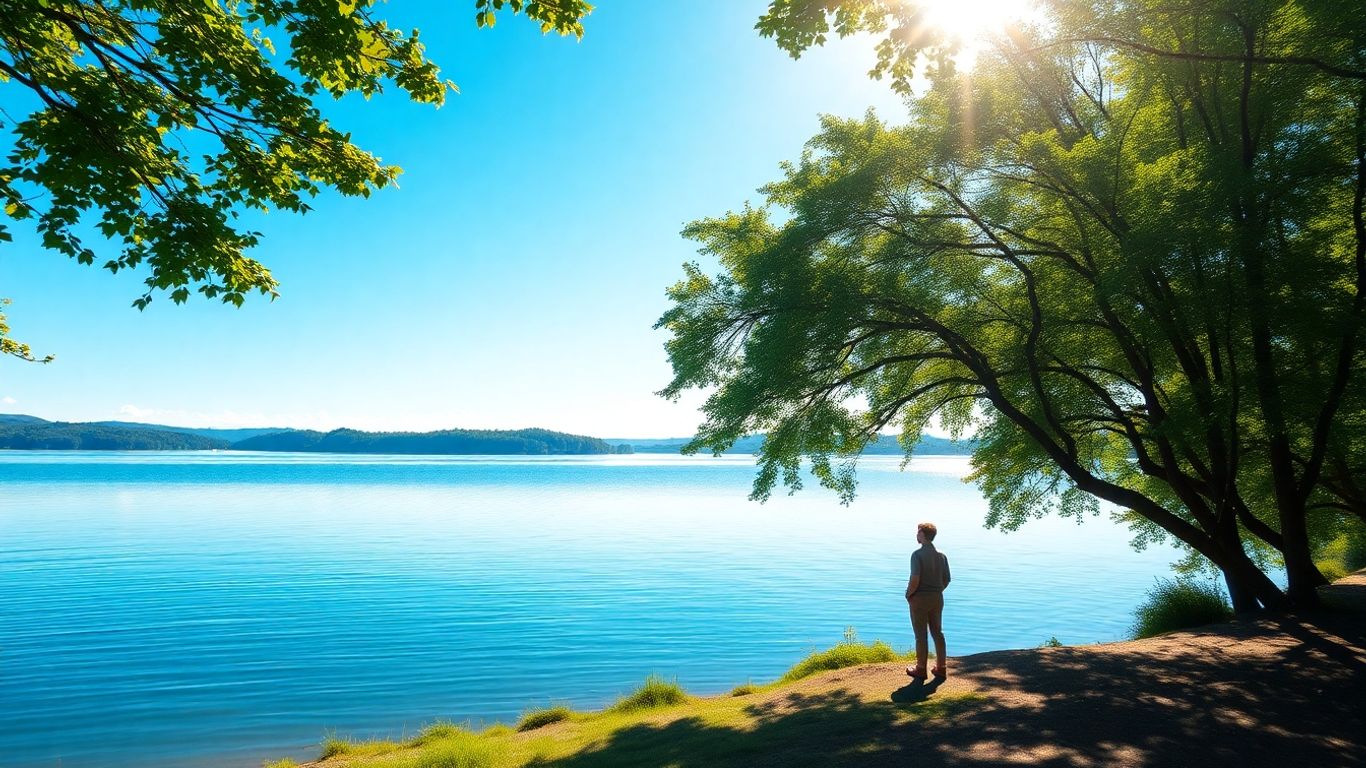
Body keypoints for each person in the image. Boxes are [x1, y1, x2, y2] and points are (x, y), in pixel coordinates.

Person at [905, 521, 950, 680]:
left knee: (921, 635)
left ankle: (921, 669)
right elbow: (947, 579)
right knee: (938, 632)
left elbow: (915, 579)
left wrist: (908, 594)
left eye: (918, 532)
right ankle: (941, 667)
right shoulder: (941, 556)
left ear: (923, 535)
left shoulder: (917, 555)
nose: (916, 535)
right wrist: (936, 591)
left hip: (920, 599)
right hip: (937, 598)